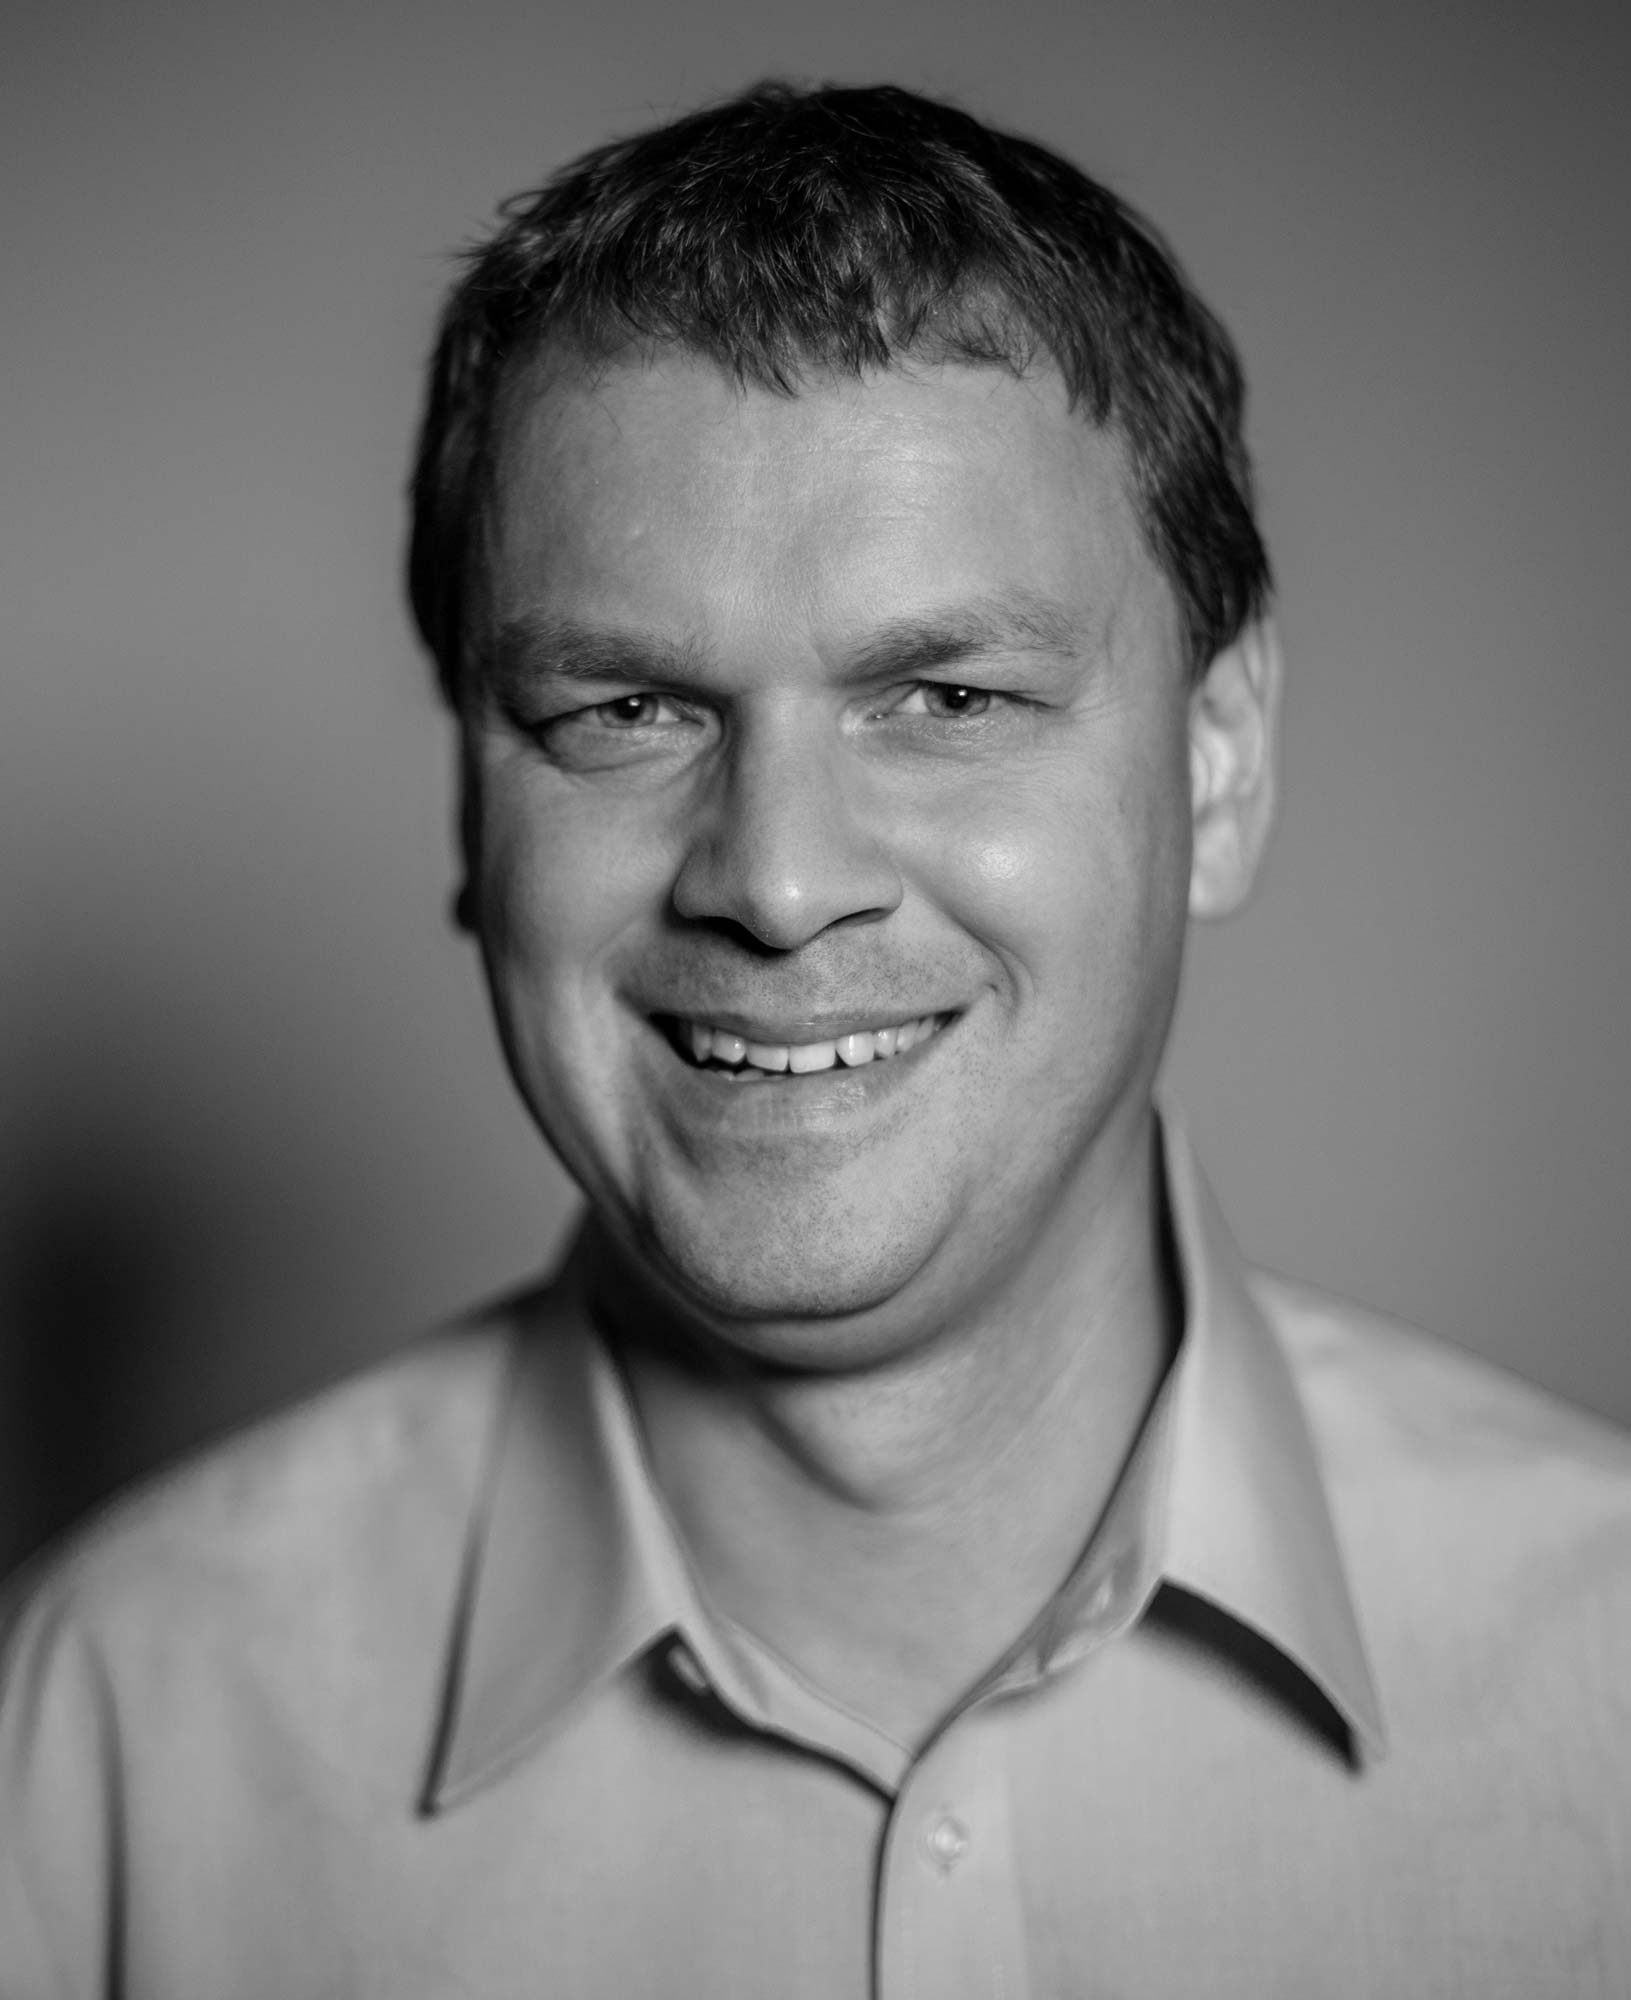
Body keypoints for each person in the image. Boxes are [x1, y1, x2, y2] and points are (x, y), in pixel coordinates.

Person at [3, 79, 1629, 2000]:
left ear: (1223, 758)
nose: (774, 885)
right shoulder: (107, 1732)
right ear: (467, 812)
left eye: (944, 692)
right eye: (622, 710)